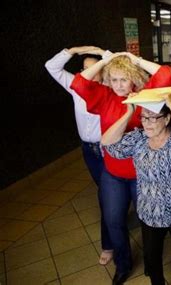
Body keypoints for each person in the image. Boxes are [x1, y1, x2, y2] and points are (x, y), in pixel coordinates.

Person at [71, 51, 171, 285]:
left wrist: (134, 59)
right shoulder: (104, 96)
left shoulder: (145, 96)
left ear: (133, 78)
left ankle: (151, 264)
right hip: (113, 173)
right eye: (114, 79)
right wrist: (106, 61)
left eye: (123, 79)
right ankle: (123, 265)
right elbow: (78, 83)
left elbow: (165, 74)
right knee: (113, 220)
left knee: (148, 222)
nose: (118, 85)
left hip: (142, 174)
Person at [101, 92, 171, 285]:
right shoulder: (138, 138)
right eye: (143, 117)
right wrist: (128, 113)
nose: (146, 123)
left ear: (166, 119)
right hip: (149, 211)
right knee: (152, 260)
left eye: (153, 117)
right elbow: (107, 142)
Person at [45, 46, 110, 265]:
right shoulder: (75, 86)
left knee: (105, 196)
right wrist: (76, 50)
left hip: (107, 150)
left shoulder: (111, 88)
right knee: (105, 193)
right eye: (84, 69)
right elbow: (51, 66)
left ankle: (108, 244)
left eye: (93, 69)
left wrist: (104, 55)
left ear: (102, 71)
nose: (87, 74)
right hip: (88, 151)